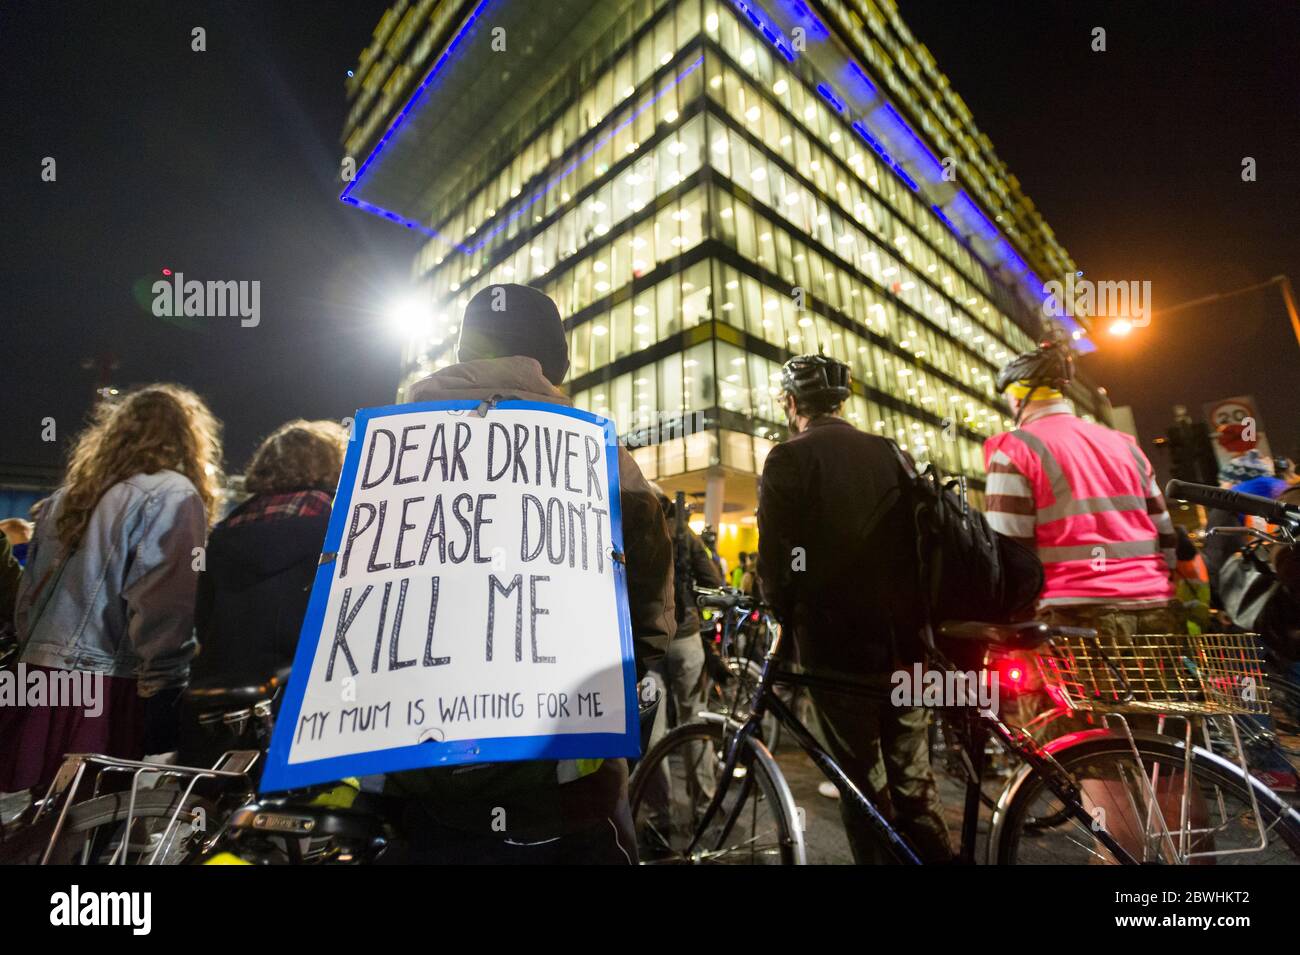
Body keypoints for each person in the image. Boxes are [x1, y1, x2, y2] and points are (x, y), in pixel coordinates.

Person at [382, 284, 676, 864]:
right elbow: (648, 621)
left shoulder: (389, 450)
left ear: (465, 351)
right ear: (553, 362)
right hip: (563, 779)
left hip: (407, 765)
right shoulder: (603, 457)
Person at [757, 353, 952, 864]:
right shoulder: (889, 451)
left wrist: (779, 610)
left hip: (837, 645)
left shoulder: (789, 456)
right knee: (914, 780)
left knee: (861, 782)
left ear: (792, 402)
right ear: (841, 402)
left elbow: (777, 556)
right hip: (907, 643)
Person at [0, 385, 221, 792]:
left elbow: (26, 597)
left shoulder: (65, 497)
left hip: (36, 674)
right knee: (86, 824)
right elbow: (163, 604)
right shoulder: (172, 493)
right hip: (103, 683)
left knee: (31, 825)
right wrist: (167, 679)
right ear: (188, 438)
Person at [191, 420, 346, 687]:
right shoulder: (337, 526)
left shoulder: (225, 530)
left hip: (220, 681)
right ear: (331, 463)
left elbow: (203, 616)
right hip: (298, 684)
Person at [640, 483, 723, 835]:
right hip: (687, 638)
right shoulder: (685, 535)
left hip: (648, 643)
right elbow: (713, 581)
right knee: (696, 725)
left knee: (653, 734)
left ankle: (661, 819)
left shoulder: (635, 530)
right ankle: (705, 809)